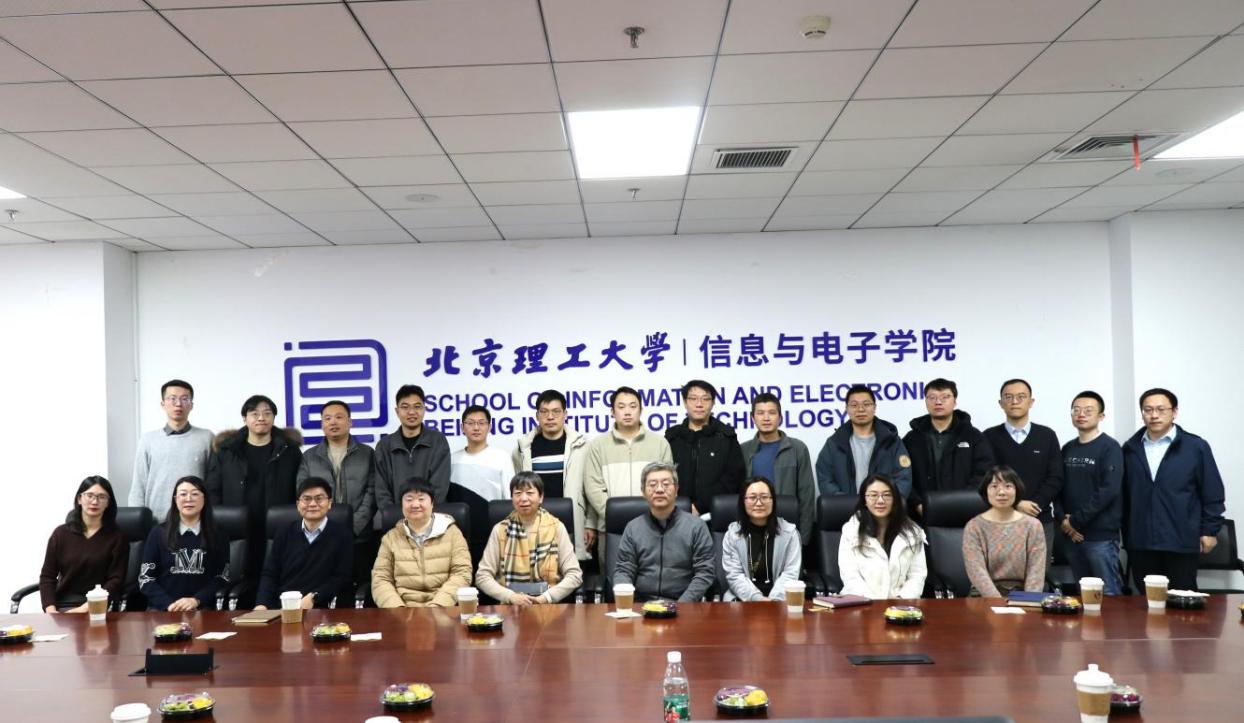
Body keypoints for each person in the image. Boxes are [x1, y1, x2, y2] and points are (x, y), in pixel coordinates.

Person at [1121, 388, 1226, 592]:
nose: (1154, 415)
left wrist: (1210, 530)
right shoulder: (1130, 449)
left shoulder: (1195, 447)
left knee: (1182, 599)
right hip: (1141, 541)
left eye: (1161, 409)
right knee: (1148, 601)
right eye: (1148, 410)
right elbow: (1124, 496)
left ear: (1174, 412)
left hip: (1181, 539)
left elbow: (1212, 491)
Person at [206, 394, 302, 601]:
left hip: (277, 528)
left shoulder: (289, 450)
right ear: (245, 418)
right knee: (240, 583)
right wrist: (217, 521)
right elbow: (213, 489)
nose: (261, 418)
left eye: (267, 413)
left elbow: (299, 489)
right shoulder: (227, 451)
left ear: (274, 418)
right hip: (237, 530)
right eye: (254, 413)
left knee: (275, 579)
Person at [296, 400, 376, 603]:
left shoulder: (367, 454)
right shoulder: (309, 457)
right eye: (327, 418)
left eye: (339, 417)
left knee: (357, 591)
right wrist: (325, 528)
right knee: (323, 590)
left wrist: (353, 526)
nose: (333, 422)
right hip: (322, 537)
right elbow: (303, 493)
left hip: (359, 537)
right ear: (322, 424)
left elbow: (372, 492)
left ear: (350, 422)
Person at [583, 386, 673, 557]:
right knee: (614, 573)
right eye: (621, 407)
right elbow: (593, 488)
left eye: (633, 406)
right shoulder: (598, 445)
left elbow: (667, 484)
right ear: (612, 411)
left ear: (641, 410)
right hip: (611, 529)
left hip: (653, 525)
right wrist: (615, 514)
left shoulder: (659, 443)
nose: (627, 412)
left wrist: (652, 515)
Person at [475, 472, 583, 605]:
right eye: (518, 493)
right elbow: (482, 576)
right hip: (510, 606)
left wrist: (546, 597)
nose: (523, 498)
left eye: (530, 493)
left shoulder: (556, 527)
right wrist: (510, 596)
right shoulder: (500, 530)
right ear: (512, 498)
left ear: (541, 497)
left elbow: (575, 575)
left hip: (549, 605)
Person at [612, 462, 715, 602]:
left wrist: (681, 605)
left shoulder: (696, 527)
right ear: (643, 491)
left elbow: (704, 572)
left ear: (676, 489)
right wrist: (627, 602)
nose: (659, 489)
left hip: (683, 605)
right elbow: (624, 570)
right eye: (652, 484)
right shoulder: (633, 528)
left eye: (666, 484)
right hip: (640, 605)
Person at [982, 379, 1063, 549]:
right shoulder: (989, 437)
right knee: (1001, 567)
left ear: (1031, 402)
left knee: (1039, 567)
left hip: (1039, 519)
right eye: (1008, 397)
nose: (1014, 401)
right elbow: (986, 478)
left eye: (1021, 396)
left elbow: (1055, 477)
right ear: (1001, 403)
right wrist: (1016, 504)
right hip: (1000, 520)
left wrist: (1034, 505)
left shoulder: (1047, 436)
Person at [512, 389, 592, 560]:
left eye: (556, 412)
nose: (550, 417)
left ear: (565, 414)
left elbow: (590, 488)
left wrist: (590, 523)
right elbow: (518, 491)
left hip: (572, 521)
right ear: (537, 416)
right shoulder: (524, 449)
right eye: (544, 412)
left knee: (572, 568)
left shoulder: (582, 447)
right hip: (535, 522)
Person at [1059, 391, 1124, 595]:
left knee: (1108, 594)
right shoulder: (1067, 448)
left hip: (1100, 537)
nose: (1081, 414)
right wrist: (1064, 521)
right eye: (1076, 410)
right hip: (1071, 535)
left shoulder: (1110, 447)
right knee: (1084, 595)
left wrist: (1075, 521)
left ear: (1101, 416)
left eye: (1088, 410)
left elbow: (1109, 490)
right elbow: (1057, 486)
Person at [253, 477, 353, 611]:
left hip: (320, 609)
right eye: (306, 499)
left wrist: (314, 596)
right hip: (282, 607)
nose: (312, 504)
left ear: (329, 503)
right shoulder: (284, 533)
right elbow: (270, 573)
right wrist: (261, 604)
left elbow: (341, 578)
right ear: (298, 504)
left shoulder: (343, 535)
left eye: (319, 498)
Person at [372, 477, 472, 608]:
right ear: (402, 504)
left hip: (443, 608)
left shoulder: (452, 533)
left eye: (421, 499)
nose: (415, 504)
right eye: (409, 499)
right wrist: (397, 608)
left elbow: (462, 574)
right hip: (402, 610)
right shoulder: (390, 538)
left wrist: (438, 605)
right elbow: (380, 579)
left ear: (432, 503)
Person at [904, 378, 995, 517]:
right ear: (925, 401)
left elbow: (984, 473)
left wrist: (964, 502)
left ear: (955, 401)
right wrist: (917, 503)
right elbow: (903, 475)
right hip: (922, 513)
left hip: (966, 512)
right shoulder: (912, 439)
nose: (938, 402)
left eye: (945, 397)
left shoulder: (973, 436)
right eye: (932, 397)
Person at [138, 476, 230, 612]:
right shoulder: (158, 533)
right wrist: (169, 605)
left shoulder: (218, 534)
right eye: (183, 494)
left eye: (195, 494)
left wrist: (196, 600)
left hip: (201, 609)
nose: (188, 499)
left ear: (204, 499)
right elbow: (146, 579)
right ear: (175, 500)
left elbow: (222, 577)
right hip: (163, 609)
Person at [39, 476, 127, 613]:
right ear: (79, 499)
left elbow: (116, 580)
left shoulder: (117, 537)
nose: (95, 501)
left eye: (101, 497)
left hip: (99, 607)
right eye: (89, 495)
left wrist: (87, 607)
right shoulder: (60, 534)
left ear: (108, 503)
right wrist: (51, 611)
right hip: (62, 607)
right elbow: (47, 576)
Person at [129, 379, 213, 521]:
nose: (178, 404)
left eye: (184, 399)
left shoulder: (206, 438)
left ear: (191, 405)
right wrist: (137, 520)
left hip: (196, 519)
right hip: (156, 519)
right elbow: (139, 484)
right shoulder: (148, 440)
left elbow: (213, 484)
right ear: (163, 404)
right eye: (172, 398)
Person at [739, 393, 816, 546]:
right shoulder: (743, 450)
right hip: (752, 529)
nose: (766, 418)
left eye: (772, 413)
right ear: (753, 418)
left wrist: (803, 539)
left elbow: (806, 496)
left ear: (780, 417)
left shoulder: (797, 448)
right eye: (760, 413)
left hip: (788, 528)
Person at [837, 473, 927, 600]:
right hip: (862, 603)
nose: (880, 501)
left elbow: (917, 575)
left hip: (900, 605)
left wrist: (901, 598)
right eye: (873, 495)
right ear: (864, 500)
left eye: (887, 495)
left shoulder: (913, 533)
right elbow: (850, 577)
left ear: (895, 499)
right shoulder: (851, 531)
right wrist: (874, 603)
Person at [816, 384, 913, 499]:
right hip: (847, 508)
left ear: (874, 407)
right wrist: (845, 502)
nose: (860, 409)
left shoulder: (892, 442)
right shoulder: (834, 443)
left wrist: (884, 501)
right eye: (854, 405)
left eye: (866, 404)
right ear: (846, 408)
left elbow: (903, 477)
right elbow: (825, 478)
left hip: (883, 506)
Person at [962, 466, 1046, 597]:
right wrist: (998, 602)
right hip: (983, 597)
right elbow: (976, 571)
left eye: (1008, 486)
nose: (1001, 492)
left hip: (1021, 595)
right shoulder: (974, 527)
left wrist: (1029, 601)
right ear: (985, 491)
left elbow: (1036, 571)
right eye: (994, 486)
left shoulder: (1033, 526)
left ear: (1017, 490)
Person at [665, 379, 745, 516]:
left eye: (705, 399)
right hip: (677, 513)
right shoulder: (673, 438)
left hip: (718, 513)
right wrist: (682, 507)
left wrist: (700, 506)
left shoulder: (726, 436)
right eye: (693, 399)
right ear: (685, 402)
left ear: (713, 403)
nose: (699, 404)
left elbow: (733, 478)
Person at [449, 405, 516, 559]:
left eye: (481, 423)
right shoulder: (452, 460)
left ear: (489, 427)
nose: (476, 428)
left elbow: (510, 498)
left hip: (493, 531)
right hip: (459, 534)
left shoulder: (501, 458)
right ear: (462, 427)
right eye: (470, 423)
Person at [721, 476, 802, 602]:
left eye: (764, 497)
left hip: (780, 601)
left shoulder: (790, 534)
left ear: (773, 501)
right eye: (752, 497)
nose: (759, 503)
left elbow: (790, 573)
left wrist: (773, 601)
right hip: (743, 599)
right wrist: (757, 599)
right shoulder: (732, 535)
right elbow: (734, 575)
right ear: (743, 501)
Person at [375, 384, 451, 507]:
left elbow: (439, 486)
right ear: (397, 411)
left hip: (430, 514)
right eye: (405, 407)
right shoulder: (384, 446)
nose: (411, 412)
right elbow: (381, 490)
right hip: (395, 516)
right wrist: (393, 514)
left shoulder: (437, 441)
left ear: (424, 409)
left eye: (417, 407)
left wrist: (422, 512)